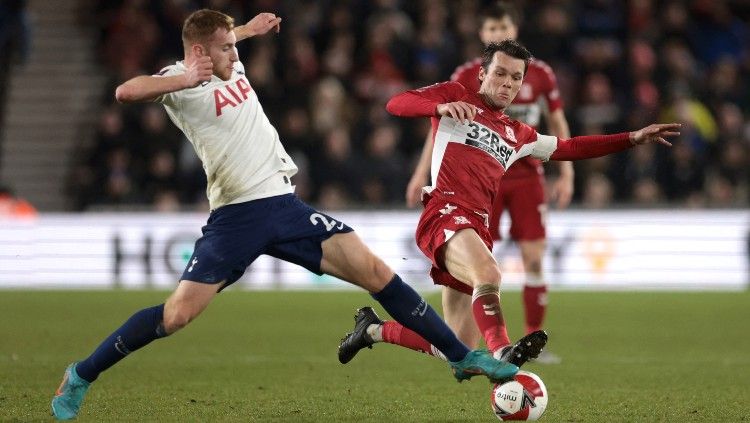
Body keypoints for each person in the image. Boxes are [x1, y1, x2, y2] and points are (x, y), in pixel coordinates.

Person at [50, 10, 520, 421]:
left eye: (235, 46)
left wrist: (248, 31)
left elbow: (223, 46)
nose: (236, 56)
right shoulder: (180, 79)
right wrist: (184, 78)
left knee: (376, 272)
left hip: (284, 205)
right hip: (235, 217)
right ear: (198, 52)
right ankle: (80, 374)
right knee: (176, 316)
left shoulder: (228, 60)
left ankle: (462, 358)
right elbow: (125, 91)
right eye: (227, 48)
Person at [338, 40, 679, 370]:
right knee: (489, 273)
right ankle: (502, 349)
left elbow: (570, 147)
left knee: (459, 351)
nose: (508, 83)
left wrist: (631, 138)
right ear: (482, 75)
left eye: (516, 77)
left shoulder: (519, 134)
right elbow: (396, 103)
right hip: (445, 212)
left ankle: (372, 329)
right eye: (500, 73)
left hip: (477, 226)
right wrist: (438, 108)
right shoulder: (457, 96)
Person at [406, 2, 573, 364]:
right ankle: (496, 348)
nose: (499, 35)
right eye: (492, 30)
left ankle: (529, 338)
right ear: (483, 37)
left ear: (514, 30)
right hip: (474, 185)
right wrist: (423, 173)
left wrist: (568, 172)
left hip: (526, 175)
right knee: (481, 271)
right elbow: (436, 126)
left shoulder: (539, 74)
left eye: (504, 29)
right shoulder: (465, 78)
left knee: (531, 260)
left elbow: (559, 130)